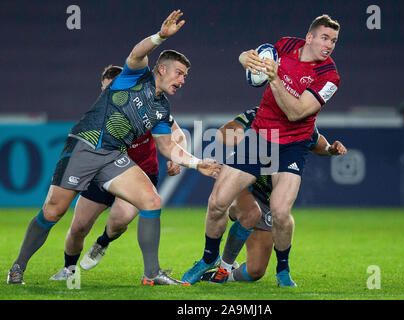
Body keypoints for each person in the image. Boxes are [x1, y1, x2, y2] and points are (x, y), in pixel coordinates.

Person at [7, 10, 220, 286]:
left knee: (152, 201)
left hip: (112, 156)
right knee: (53, 211)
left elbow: (168, 147)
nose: (182, 80)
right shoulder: (134, 76)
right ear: (162, 69)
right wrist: (159, 37)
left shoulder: (162, 109)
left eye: (185, 77)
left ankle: (152, 273)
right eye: (179, 73)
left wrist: (196, 162)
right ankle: (17, 268)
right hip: (86, 145)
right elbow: (136, 53)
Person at [182, 14, 341, 287]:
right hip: (260, 137)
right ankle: (209, 258)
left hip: (293, 145)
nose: (329, 45)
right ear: (310, 37)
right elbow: (249, 56)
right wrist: (246, 59)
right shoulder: (286, 45)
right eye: (325, 38)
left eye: (334, 41)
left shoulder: (329, 77)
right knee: (217, 201)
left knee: (280, 211)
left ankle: (282, 270)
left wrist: (274, 78)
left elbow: (296, 113)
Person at [49, 65, 185, 283]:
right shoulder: (99, 113)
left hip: (140, 172)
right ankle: (69, 269)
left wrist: (176, 157)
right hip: (102, 169)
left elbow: (176, 132)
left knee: (119, 220)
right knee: (80, 226)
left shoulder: (146, 106)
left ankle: (103, 242)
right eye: (105, 90)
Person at [201, 106, 347, 284]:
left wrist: (330, 148)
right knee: (251, 213)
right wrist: (249, 141)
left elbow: (317, 142)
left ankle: (228, 274)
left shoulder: (302, 123)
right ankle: (222, 266)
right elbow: (226, 131)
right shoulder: (260, 114)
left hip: (268, 200)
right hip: (245, 187)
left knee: (255, 272)